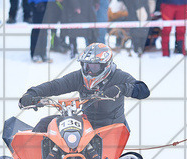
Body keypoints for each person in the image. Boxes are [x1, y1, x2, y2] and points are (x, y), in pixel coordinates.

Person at [17, 43, 151, 131]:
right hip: (86, 124)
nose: (89, 71)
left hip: (112, 127)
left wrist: (121, 89)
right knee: (45, 125)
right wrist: (32, 93)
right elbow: (55, 86)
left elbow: (143, 90)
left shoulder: (119, 76)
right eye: (86, 66)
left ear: (106, 65)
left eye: (94, 66)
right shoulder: (80, 77)